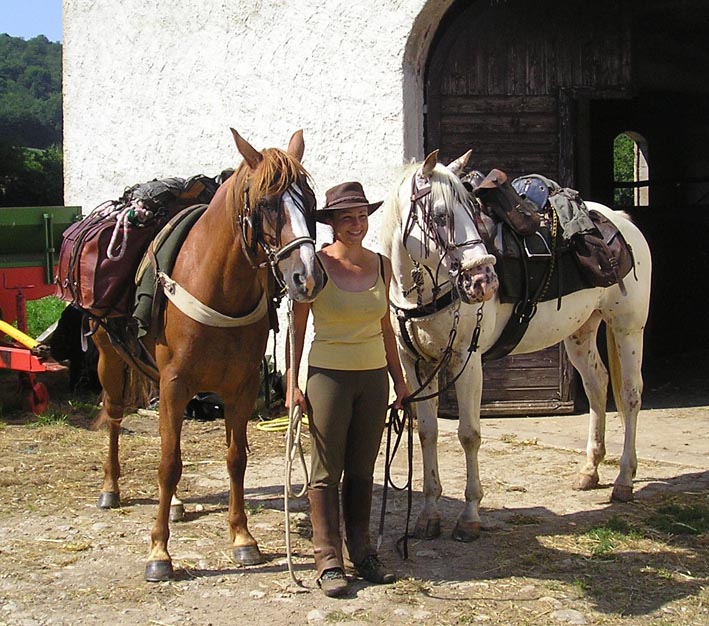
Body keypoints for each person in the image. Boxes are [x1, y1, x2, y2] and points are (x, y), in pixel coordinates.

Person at [286, 181, 410, 598]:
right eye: (347, 218)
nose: (356, 225)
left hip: (373, 378)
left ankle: (363, 552)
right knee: (325, 471)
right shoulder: (314, 266)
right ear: (333, 224)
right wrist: (292, 382)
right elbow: (297, 329)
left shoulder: (382, 264)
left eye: (361, 216)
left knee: (361, 469)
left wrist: (400, 381)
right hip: (329, 378)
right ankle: (327, 560)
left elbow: (385, 326)